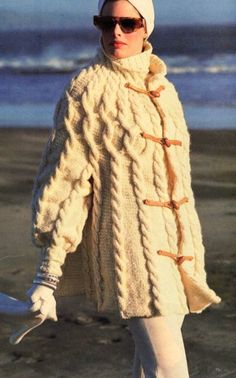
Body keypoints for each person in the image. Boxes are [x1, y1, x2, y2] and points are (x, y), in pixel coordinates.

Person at [10, 0, 221, 376]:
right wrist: (48, 274)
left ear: (147, 27)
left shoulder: (165, 90)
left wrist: (190, 248)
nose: (116, 32)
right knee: (170, 370)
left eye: (128, 22)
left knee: (148, 366)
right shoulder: (86, 90)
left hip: (180, 250)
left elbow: (180, 181)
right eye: (106, 23)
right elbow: (65, 184)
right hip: (132, 251)